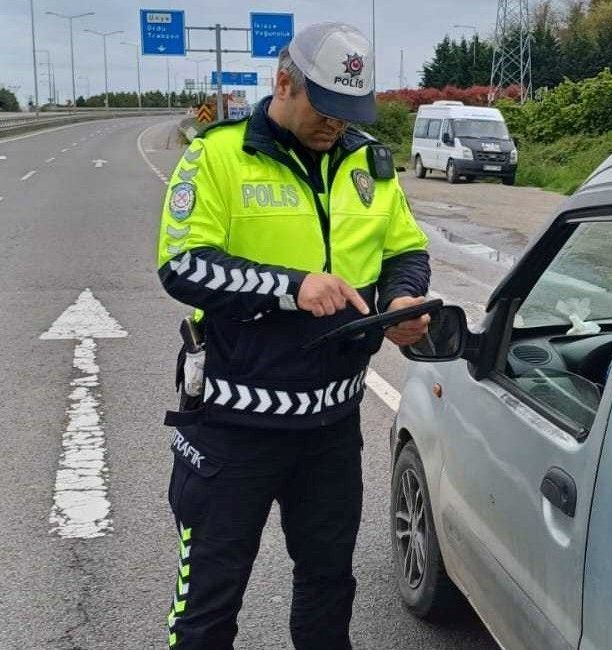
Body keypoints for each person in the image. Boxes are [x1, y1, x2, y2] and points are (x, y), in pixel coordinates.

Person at [156, 22, 431, 649]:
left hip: (332, 429)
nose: (337, 124)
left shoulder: (369, 164)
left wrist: (402, 299)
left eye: (349, 111)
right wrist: (291, 286)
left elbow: (406, 250)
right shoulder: (217, 156)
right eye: (326, 107)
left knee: (330, 590)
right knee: (206, 609)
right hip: (233, 427)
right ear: (285, 83)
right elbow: (182, 263)